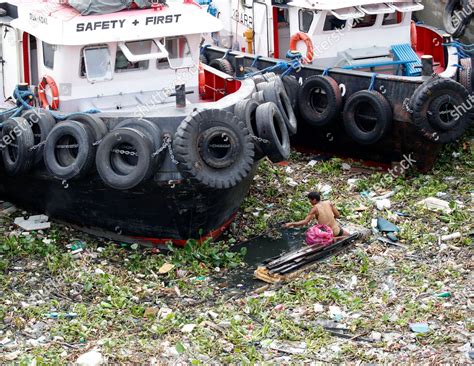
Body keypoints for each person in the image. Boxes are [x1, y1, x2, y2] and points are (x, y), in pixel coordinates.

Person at [283, 192, 349, 237]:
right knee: (349, 235)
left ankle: (335, 238)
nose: (310, 202)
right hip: (337, 230)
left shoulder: (315, 208)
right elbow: (338, 215)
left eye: (310, 200)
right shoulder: (328, 203)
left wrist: (291, 224)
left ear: (314, 200)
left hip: (327, 234)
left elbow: (305, 222)